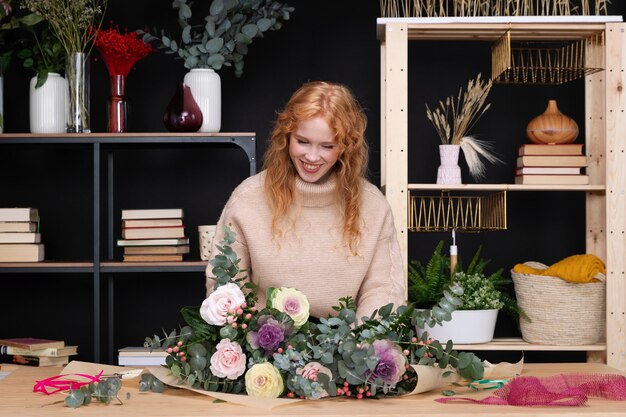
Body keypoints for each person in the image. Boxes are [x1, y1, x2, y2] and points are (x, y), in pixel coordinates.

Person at [205, 81, 406, 320]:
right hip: (264, 343)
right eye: (302, 141)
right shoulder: (248, 198)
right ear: (286, 136)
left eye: (327, 146)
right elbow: (226, 283)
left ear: (345, 147)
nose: (311, 156)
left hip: (347, 346)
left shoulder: (372, 205)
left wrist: (359, 347)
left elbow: (383, 289)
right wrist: (259, 340)